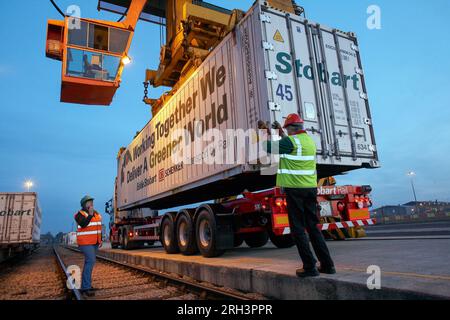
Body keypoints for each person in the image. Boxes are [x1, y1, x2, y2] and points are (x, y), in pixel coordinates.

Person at [258, 114, 335, 278]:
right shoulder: (308, 141)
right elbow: (290, 144)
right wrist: (279, 131)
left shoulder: (291, 142)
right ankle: (328, 265)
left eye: (287, 129)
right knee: (313, 227)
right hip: (310, 188)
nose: (287, 132)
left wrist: (264, 131)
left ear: (292, 128)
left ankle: (309, 267)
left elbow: (268, 147)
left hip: (295, 190)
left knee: (298, 229)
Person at [74, 195, 102, 296]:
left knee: (88, 263)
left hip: (94, 242)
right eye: (89, 202)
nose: (91, 203)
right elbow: (83, 224)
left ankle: (86, 285)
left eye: (91, 201)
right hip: (85, 242)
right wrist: (90, 215)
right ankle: (86, 287)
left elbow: (98, 226)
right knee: (91, 261)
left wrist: (100, 239)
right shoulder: (79, 214)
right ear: (84, 205)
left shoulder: (96, 213)